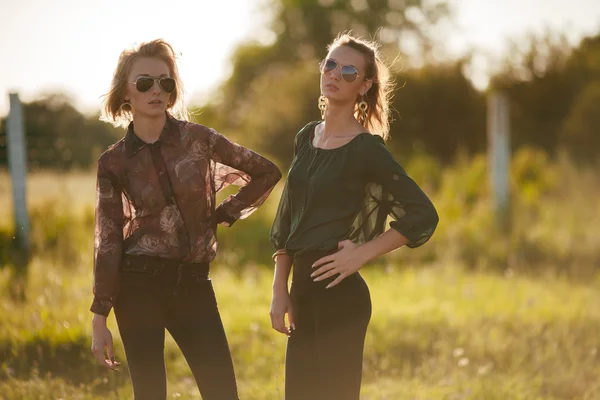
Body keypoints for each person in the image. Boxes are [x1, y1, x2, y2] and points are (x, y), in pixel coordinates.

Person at [89, 38, 281, 400]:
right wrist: (100, 317)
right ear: (126, 92)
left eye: (166, 82)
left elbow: (266, 172)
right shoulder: (113, 162)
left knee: (222, 392)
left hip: (194, 284)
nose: (156, 90)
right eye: (145, 82)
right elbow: (109, 239)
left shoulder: (199, 139)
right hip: (138, 285)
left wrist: (226, 211)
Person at [269, 33, 439, 400]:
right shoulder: (305, 138)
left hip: (340, 296)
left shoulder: (367, 149)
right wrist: (279, 289)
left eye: (348, 72)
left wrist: (361, 253)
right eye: (330, 64)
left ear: (364, 86)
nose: (335, 74)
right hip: (302, 289)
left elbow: (423, 213)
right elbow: (288, 220)